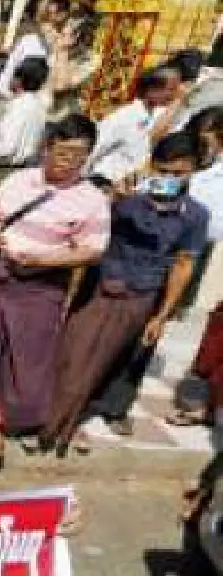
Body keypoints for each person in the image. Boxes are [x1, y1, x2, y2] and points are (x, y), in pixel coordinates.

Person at [43, 133, 206, 452]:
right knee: (72, 355)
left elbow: (183, 265)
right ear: (152, 166)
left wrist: (162, 315)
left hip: (141, 295)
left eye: (179, 173)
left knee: (102, 364)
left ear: (193, 171)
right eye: (164, 170)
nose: (170, 179)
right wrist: (113, 198)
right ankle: (49, 419)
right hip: (100, 288)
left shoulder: (194, 215)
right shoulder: (127, 199)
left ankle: (67, 426)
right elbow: (86, 230)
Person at [0, 115, 110, 464]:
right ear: (46, 148)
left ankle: (5, 424)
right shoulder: (19, 179)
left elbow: (92, 250)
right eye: (63, 153)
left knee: (27, 359)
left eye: (79, 156)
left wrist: (44, 260)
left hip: (39, 287)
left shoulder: (92, 199)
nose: (69, 162)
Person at [89, 67, 183, 188]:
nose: (174, 94)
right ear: (152, 90)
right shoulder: (124, 116)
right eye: (171, 89)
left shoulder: (156, 114)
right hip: (105, 180)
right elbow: (97, 147)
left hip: (129, 183)